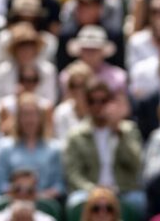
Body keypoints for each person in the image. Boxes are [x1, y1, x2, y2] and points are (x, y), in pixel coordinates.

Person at [63, 78, 145, 218]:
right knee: (75, 202)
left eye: (103, 100)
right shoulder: (76, 135)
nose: (98, 106)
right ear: (87, 104)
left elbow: (136, 164)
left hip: (123, 190)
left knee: (138, 201)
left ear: (111, 102)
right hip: (89, 191)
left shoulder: (128, 130)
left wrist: (118, 132)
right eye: (93, 101)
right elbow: (73, 174)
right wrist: (95, 191)